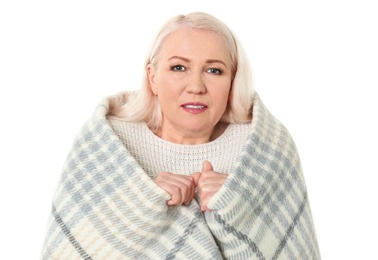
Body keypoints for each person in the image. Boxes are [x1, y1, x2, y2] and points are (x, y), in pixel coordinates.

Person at [41, 12, 321, 259]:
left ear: (232, 80)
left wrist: (240, 203)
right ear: (152, 77)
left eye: (214, 70)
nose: (196, 86)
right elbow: (72, 249)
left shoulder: (266, 149)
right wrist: (142, 199)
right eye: (178, 67)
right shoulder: (107, 144)